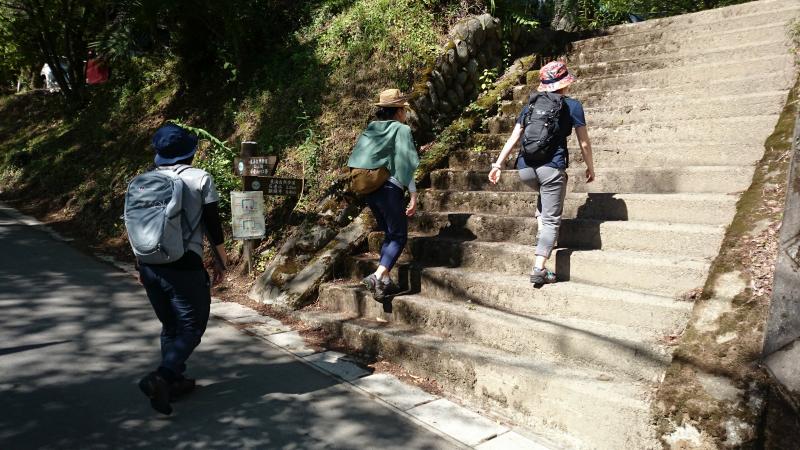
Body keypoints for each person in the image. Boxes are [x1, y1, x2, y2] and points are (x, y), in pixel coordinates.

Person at [136, 123, 229, 415]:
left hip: (149, 263)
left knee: (171, 326)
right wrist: (222, 261)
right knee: (192, 326)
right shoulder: (200, 178)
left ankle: (173, 382)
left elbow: (139, 225)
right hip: (184, 265)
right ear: (190, 151)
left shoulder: (144, 180)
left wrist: (140, 264)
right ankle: (162, 377)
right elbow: (213, 226)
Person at [488, 61, 595, 285]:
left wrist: (497, 164)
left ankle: (541, 233)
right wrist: (590, 168)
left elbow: (515, 136)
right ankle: (539, 268)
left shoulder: (531, 104)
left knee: (546, 195)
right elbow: (584, 143)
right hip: (551, 168)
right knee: (552, 219)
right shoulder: (572, 106)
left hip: (525, 169)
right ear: (565, 83)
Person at [348, 89, 419, 300]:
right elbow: (407, 163)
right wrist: (413, 195)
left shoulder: (372, 129)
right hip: (390, 189)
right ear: (398, 111)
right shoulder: (401, 129)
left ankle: (384, 283)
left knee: (390, 234)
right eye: (403, 109)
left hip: (370, 190)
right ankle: (377, 276)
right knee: (399, 236)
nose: (405, 113)